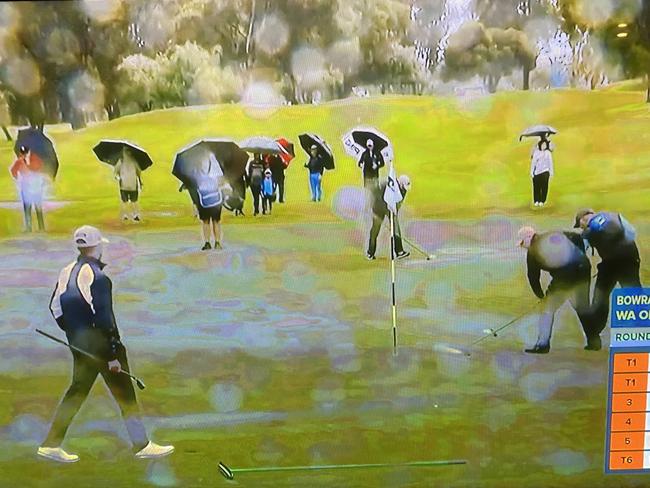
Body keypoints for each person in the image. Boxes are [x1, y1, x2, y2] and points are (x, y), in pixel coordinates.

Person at [39, 225, 174, 463]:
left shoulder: (65, 271)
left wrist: (74, 334)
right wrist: (112, 354)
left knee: (77, 392)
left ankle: (51, 444)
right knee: (125, 394)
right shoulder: (99, 278)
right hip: (102, 346)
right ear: (97, 247)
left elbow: (55, 308)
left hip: (80, 345)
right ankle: (141, 445)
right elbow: (104, 318)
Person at [574, 209, 642, 350]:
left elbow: (581, 251)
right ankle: (641, 334)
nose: (581, 227)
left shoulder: (588, 231)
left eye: (580, 224)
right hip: (629, 259)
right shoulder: (616, 215)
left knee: (600, 297)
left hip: (610, 264)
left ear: (582, 219)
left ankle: (594, 339)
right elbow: (631, 233)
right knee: (635, 298)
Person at [518, 226, 592, 354]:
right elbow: (577, 237)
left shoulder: (533, 251)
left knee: (547, 309)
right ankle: (594, 341)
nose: (522, 246)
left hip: (565, 276)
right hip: (583, 269)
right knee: (582, 307)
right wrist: (581, 255)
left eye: (522, 243)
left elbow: (533, 277)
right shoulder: (554, 234)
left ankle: (542, 345)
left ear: (529, 237)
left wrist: (541, 297)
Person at [367, 175, 411, 261]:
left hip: (391, 208)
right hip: (378, 207)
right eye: (404, 186)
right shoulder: (386, 185)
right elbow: (376, 197)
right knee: (375, 230)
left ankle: (399, 252)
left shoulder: (403, 190)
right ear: (400, 183)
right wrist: (375, 214)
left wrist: (393, 214)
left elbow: (399, 203)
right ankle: (370, 252)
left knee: (396, 229)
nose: (405, 189)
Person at [10, 145, 46, 232]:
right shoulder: (19, 161)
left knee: (38, 207)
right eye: (23, 153)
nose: (24, 154)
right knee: (27, 207)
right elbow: (13, 171)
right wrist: (19, 178)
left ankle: (41, 227)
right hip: (26, 186)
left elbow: (40, 167)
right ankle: (28, 227)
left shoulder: (35, 159)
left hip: (35, 186)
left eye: (25, 152)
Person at [114, 147, 142, 222]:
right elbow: (116, 173)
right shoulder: (122, 161)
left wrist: (140, 181)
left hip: (131, 184)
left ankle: (133, 215)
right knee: (126, 201)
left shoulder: (131, 161)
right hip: (126, 185)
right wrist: (118, 178)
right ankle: (127, 215)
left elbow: (138, 172)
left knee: (131, 201)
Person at [530, 134, 554, 207]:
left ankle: (542, 201)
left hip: (545, 172)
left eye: (545, 145)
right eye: (542, 145)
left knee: (544, 187)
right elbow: (533, 163)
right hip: (537, 172)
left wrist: (551, 172)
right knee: (536, 187)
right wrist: (531, 172)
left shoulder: (548, 153)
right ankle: (536, 200)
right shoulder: (536, 152)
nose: (543, 146)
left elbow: (550, 163)